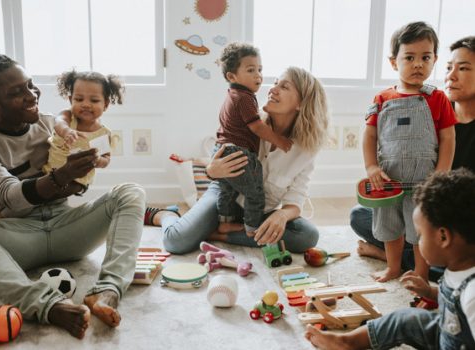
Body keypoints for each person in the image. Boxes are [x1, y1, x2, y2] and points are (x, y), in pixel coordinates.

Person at [0, 55, 145, 339]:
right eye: (17, 92)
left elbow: (78, 183)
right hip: (17, 236)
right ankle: (47, 304)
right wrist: (61, 177)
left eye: (30, 86)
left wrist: (84, 172)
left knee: (130, 192)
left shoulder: (50, 124)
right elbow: (8, 196)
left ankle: (107, 290)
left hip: (65, 226)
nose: (32, 96)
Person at [147, 66, 329, 254]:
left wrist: (282, 215)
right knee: (176, 241)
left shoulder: (306, 149)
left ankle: (220, 235)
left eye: (284, 87)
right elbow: (215, 162)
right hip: (225, 196)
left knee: (307, 236)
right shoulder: (247, 119)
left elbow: (295, 200)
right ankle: (166, 215)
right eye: (275, 83)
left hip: (262, 211)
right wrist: (211, 170)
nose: (272, 89)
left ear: (301, 103)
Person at [306, 168, 475, 350]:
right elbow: (451, 299)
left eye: (420, 235)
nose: (417, 240)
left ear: (443, 237)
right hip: (446, 332)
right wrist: (429, 292)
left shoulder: (472, 294)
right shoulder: (457, 266)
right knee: (404, 319)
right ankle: (348, 342)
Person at [351, 35, 475, 281]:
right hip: (406, 194)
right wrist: (373, 167)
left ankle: (411, 263)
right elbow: (372, 135)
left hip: (455, 218)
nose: (450, 75)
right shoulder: (416, 103)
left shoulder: (436, 104)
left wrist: (439, 187)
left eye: (463, 68)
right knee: (362, 216)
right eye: (449, 67)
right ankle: (400, 260)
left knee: (435, 239)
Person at [213, 42, 292, 236]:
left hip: (221, 150)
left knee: (228, 191)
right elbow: (256, 127)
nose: (258, 75)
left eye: (260, 69)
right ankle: (252, 228)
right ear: (232, 76)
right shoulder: (244, 97)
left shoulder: (232, 95)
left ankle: (224, 221)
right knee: (255, 193)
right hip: (237, 152)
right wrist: (280, 141)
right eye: (250, 70)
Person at [42, 70, 124, 188]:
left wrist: (98, 160)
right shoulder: (68, 117)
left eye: (94, 100)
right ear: (71, 100)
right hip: (51, 176)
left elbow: (106, 159)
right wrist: (67, 131)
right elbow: (59, 122)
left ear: (105, 104)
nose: (85, 104)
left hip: (78, 183)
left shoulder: (103, 133)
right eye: (79, 99)